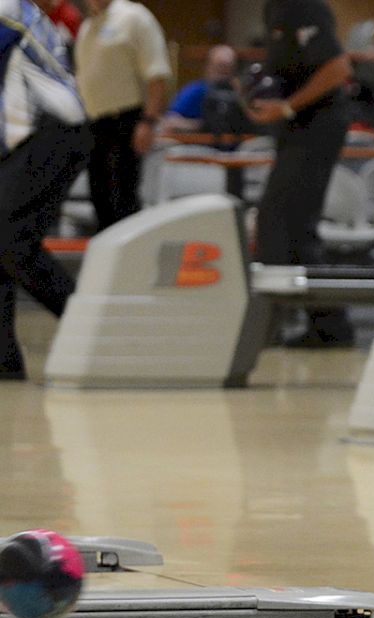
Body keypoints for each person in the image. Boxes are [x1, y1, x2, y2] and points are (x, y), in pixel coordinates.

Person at [245, 0, 355, 348]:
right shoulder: (272, 9)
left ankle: (308, 325)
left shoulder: (304, 5)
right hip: (296, 128)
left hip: (318, 126)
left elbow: (338, 68)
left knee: (284, 222)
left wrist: (288, 105)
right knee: (285, 225)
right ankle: (323, 324)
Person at [1, 0, 91, 379]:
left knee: (9, 241)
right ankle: (3, 360)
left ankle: (93, 333)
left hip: (52, 132)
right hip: (32, 137)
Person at [74, 0, 170, 231]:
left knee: (123, 198)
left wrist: (148, 122)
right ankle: (107, 262)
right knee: (100, 198)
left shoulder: (134, 17)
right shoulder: (87, 26)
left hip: (126, 121)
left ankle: (131, 262)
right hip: (94, 123)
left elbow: (157, 74)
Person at [159, 44, 238, 133]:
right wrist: (203, 126)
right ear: (208, 66)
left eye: (228, 67)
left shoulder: (240, 93)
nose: (223, 72)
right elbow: (169, 121)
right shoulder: (196, 90)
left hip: (236, 145)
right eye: (220, 66)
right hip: (199, 144)